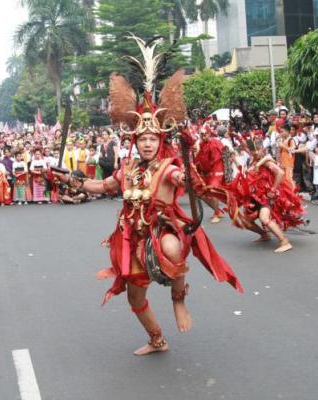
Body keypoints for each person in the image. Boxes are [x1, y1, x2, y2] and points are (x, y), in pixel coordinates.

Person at [54, 46, 242, 356]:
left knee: (171, 248)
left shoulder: (169, 167)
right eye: (143, 139)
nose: (148, 143)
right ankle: (157, 338)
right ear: (135, 142)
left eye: (153, 139)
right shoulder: (127, 168)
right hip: (133, 239)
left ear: (160, 141)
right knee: (134, 299)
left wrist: (189, 176)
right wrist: (70, 180)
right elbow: (102, 186)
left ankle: (179, 301)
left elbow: (185, 182)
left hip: (163, 231)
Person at [231, 138, 305, 253]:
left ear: (262, 149)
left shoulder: (266, 161)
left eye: (257, 150)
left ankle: (284, 242)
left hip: (266, 197)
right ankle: (264, 235)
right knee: (246, 221)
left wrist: (273, 189)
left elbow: (280, 173)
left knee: (264, 218)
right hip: (255, 197)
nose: (254, 152)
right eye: (252, 150)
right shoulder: (254, 161)